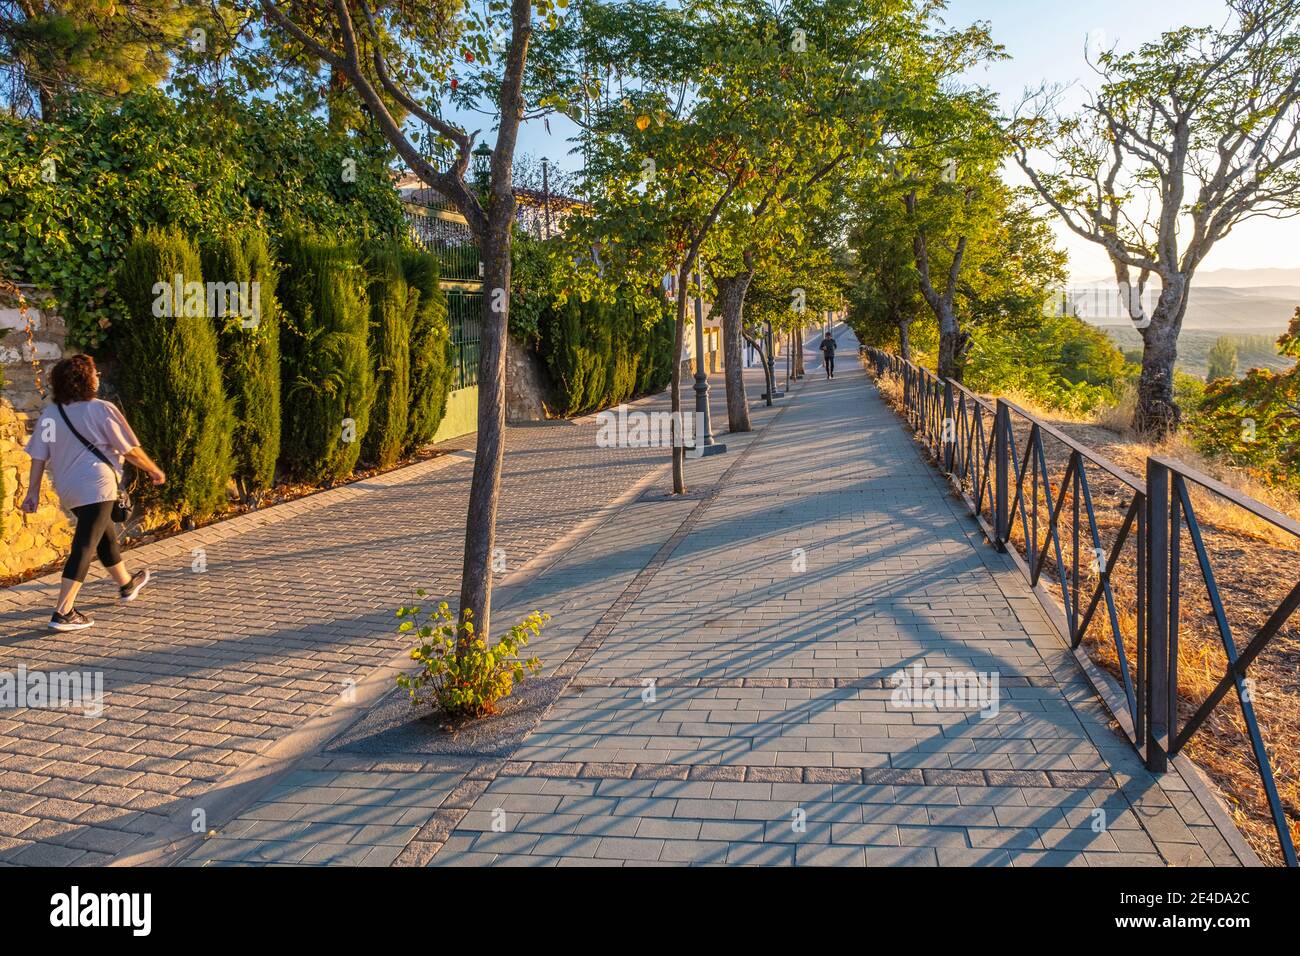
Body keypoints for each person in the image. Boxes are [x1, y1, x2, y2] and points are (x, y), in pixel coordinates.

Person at [21, 355, 165, 632]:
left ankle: (126, 584)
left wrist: (33, 492)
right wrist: (153, 469)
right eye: (94, 373)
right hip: (97, 485)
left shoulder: (51, 414)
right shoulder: (101, 409)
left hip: (69, 490)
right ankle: (63, 611)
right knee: (85, 545)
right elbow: (129, 449)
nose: (98, 376)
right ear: (86, 380)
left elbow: (38, 456)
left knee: (103, 536)